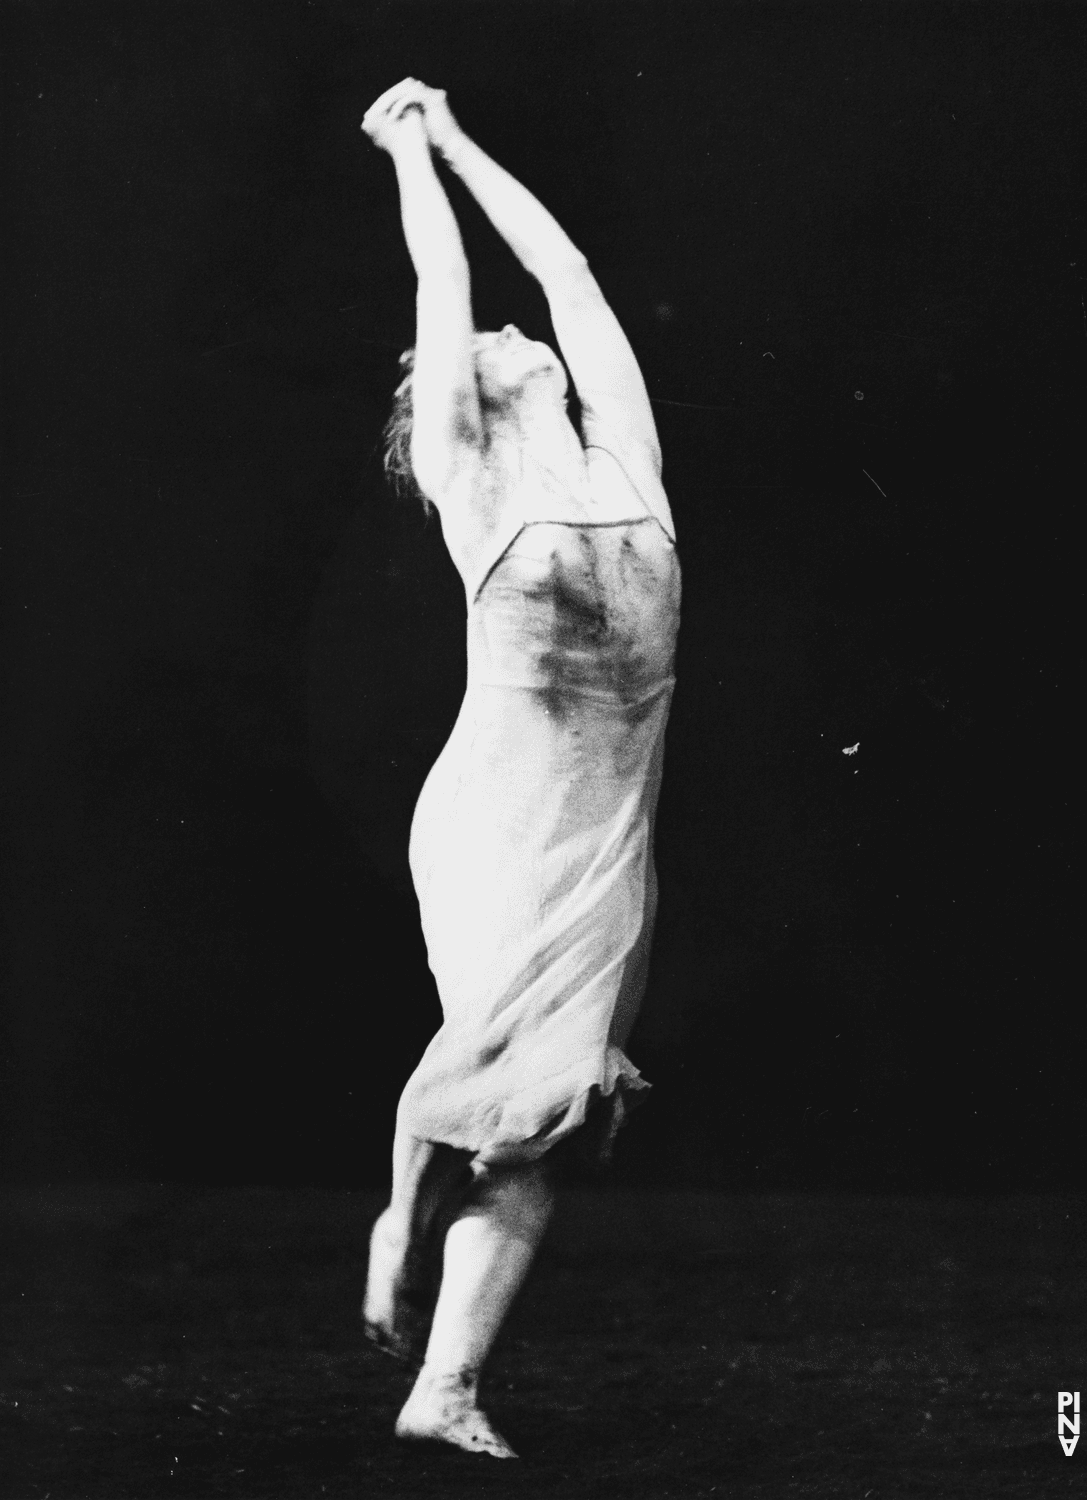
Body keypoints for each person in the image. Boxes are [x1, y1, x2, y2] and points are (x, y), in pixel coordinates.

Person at [358, 78, 681, 1458]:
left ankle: (447, 1388)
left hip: (610, 829)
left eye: (514, 332)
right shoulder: (472, 475)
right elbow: (447, 271)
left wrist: (467, 130)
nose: (509, 328)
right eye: (482, 342)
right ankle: (403, 1210)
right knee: (504, 1067)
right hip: (497, 817)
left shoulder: (629, 463)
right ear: (458, 399)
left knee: (552, 1107)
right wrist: (407, 147)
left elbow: (562, 268)